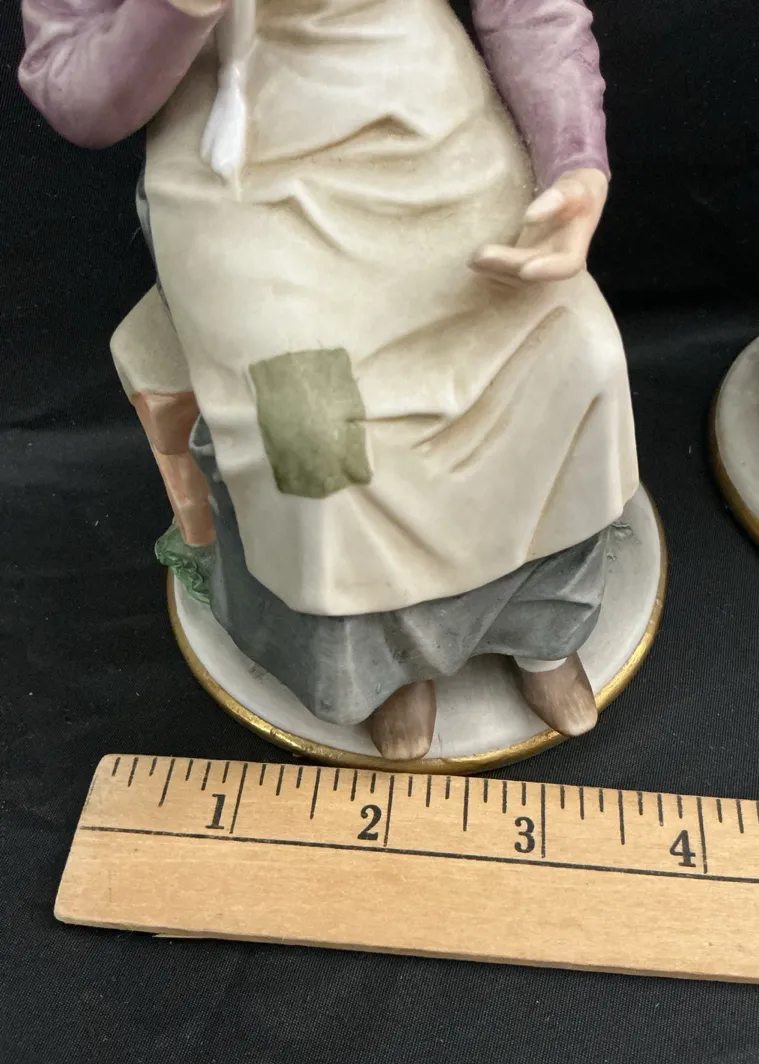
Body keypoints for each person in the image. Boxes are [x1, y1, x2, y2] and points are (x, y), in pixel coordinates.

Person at [19, 0, 638, 760]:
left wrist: (574, 159)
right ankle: (381, 665)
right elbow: (73, 90)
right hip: (249, 175)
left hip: (432, 133)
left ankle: (544, 631)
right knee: (312, 431)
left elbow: (530, 10)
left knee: (576, 356)